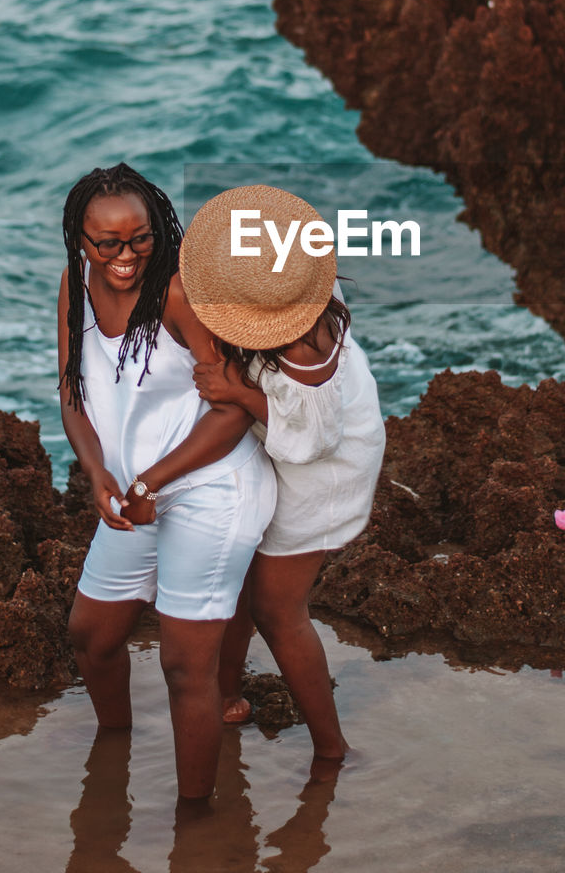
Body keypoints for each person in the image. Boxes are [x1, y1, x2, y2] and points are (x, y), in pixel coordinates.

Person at [58, 164, 276, 802]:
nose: (127, 256)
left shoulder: (180, 293)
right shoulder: (75, 285)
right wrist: (98, 472)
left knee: (186, 668)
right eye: (109, 243)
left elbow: (233, 409)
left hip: (212, 490)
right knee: (91, 637)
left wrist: (150, 482)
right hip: (133, 494)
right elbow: (73, 390)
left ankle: (197, 827)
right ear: (81, 240)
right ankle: (113, 762)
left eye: (141, 238)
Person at [178, 184, 386, 768]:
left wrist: (240, 394)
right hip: (318, 440)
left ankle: (331, 747)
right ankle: (226, 692)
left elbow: (314, 440)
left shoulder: (301, 349)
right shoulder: (301, 287)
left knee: (278, 609)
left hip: (319, 476)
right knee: (243, 578)